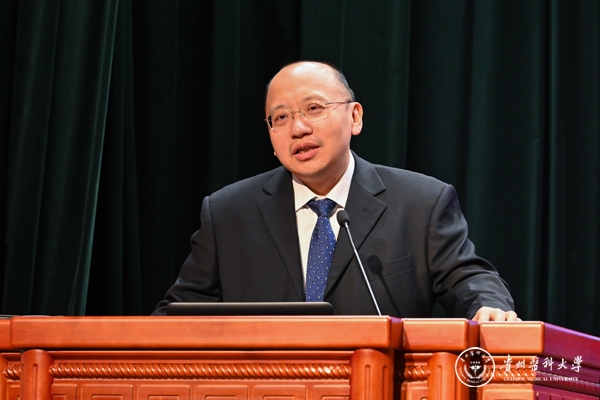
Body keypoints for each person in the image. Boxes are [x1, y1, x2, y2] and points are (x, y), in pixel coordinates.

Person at [153, 61, 519, 322]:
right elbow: (177, 312)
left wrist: (490, 307)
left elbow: (468, 279)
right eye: (280, 117)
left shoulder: (421, 203)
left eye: (313, 108)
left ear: (354, 117)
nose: (298, 128)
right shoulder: (228, 214)